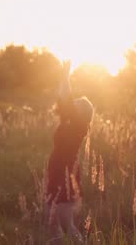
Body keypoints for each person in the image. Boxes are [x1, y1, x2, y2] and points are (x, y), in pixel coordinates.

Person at [47, 60, 94, 243]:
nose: (70, 104)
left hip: (66, 175)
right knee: (52, 222)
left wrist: (66, 74)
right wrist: (62, 76)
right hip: (57, 171)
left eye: (74, 104)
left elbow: (65, 95)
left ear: (80, 112)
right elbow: (62, 95)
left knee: (66, 224)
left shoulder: (79, 125)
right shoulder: (70, 122)